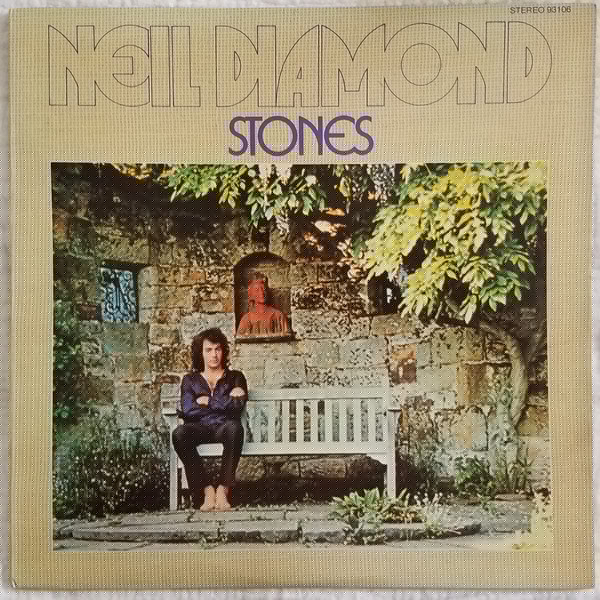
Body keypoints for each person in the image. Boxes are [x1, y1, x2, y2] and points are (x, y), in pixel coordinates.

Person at [171, 328, 247, 511]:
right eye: (209, 350)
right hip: (200, 427)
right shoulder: (190, 380)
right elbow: (189, 410)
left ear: (223, 351)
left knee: (235, 428)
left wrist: (208, 401)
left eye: (218, 349)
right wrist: (225, 401)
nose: (214, 355)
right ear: (201, 353)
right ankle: (206, 490)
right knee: (179, 434)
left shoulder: (236, 377)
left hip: (224, 427)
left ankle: (223, 490)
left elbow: (237, 406)